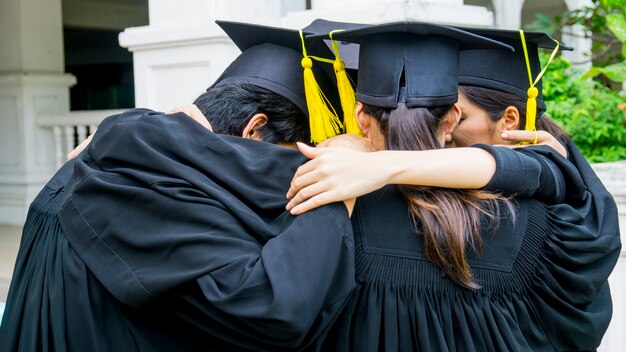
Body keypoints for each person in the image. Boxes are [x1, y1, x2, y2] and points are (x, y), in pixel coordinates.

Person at [0, 20, 360, 351]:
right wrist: (334, 189)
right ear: (254, 129)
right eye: (287, 159)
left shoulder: (113, 150)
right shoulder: (157, 189)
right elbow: (271, 309)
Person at [288, 22, 621, 351]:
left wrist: (375, 164)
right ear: (449, 118)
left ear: (361, 115)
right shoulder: (543, 223)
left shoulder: (329, 210)